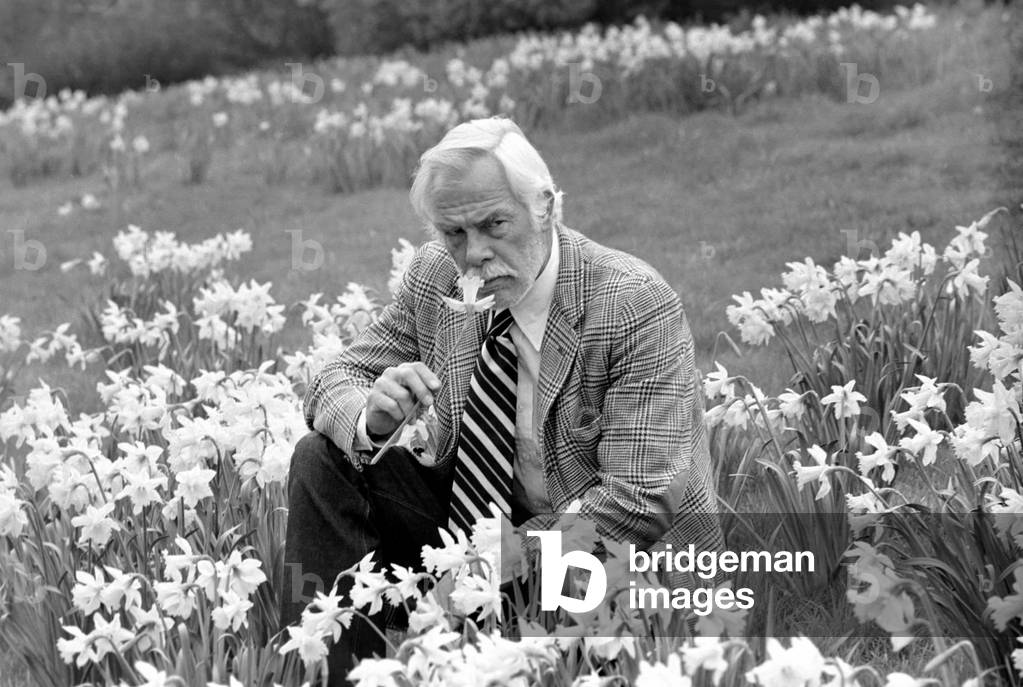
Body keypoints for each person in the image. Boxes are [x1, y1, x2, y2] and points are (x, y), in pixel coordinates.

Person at [280, 117, 722, 684]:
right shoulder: (437, 276)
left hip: (601, 551)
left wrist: (487, 571)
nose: (474, 255)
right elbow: (335, 375)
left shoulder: (631, 304)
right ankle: (335, 674)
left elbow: (640, 502)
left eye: (494, 224)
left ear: (546, 208)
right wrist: (372, 414)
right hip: (475, 540)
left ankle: (509, 643)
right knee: (321, 459)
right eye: (454, 233)